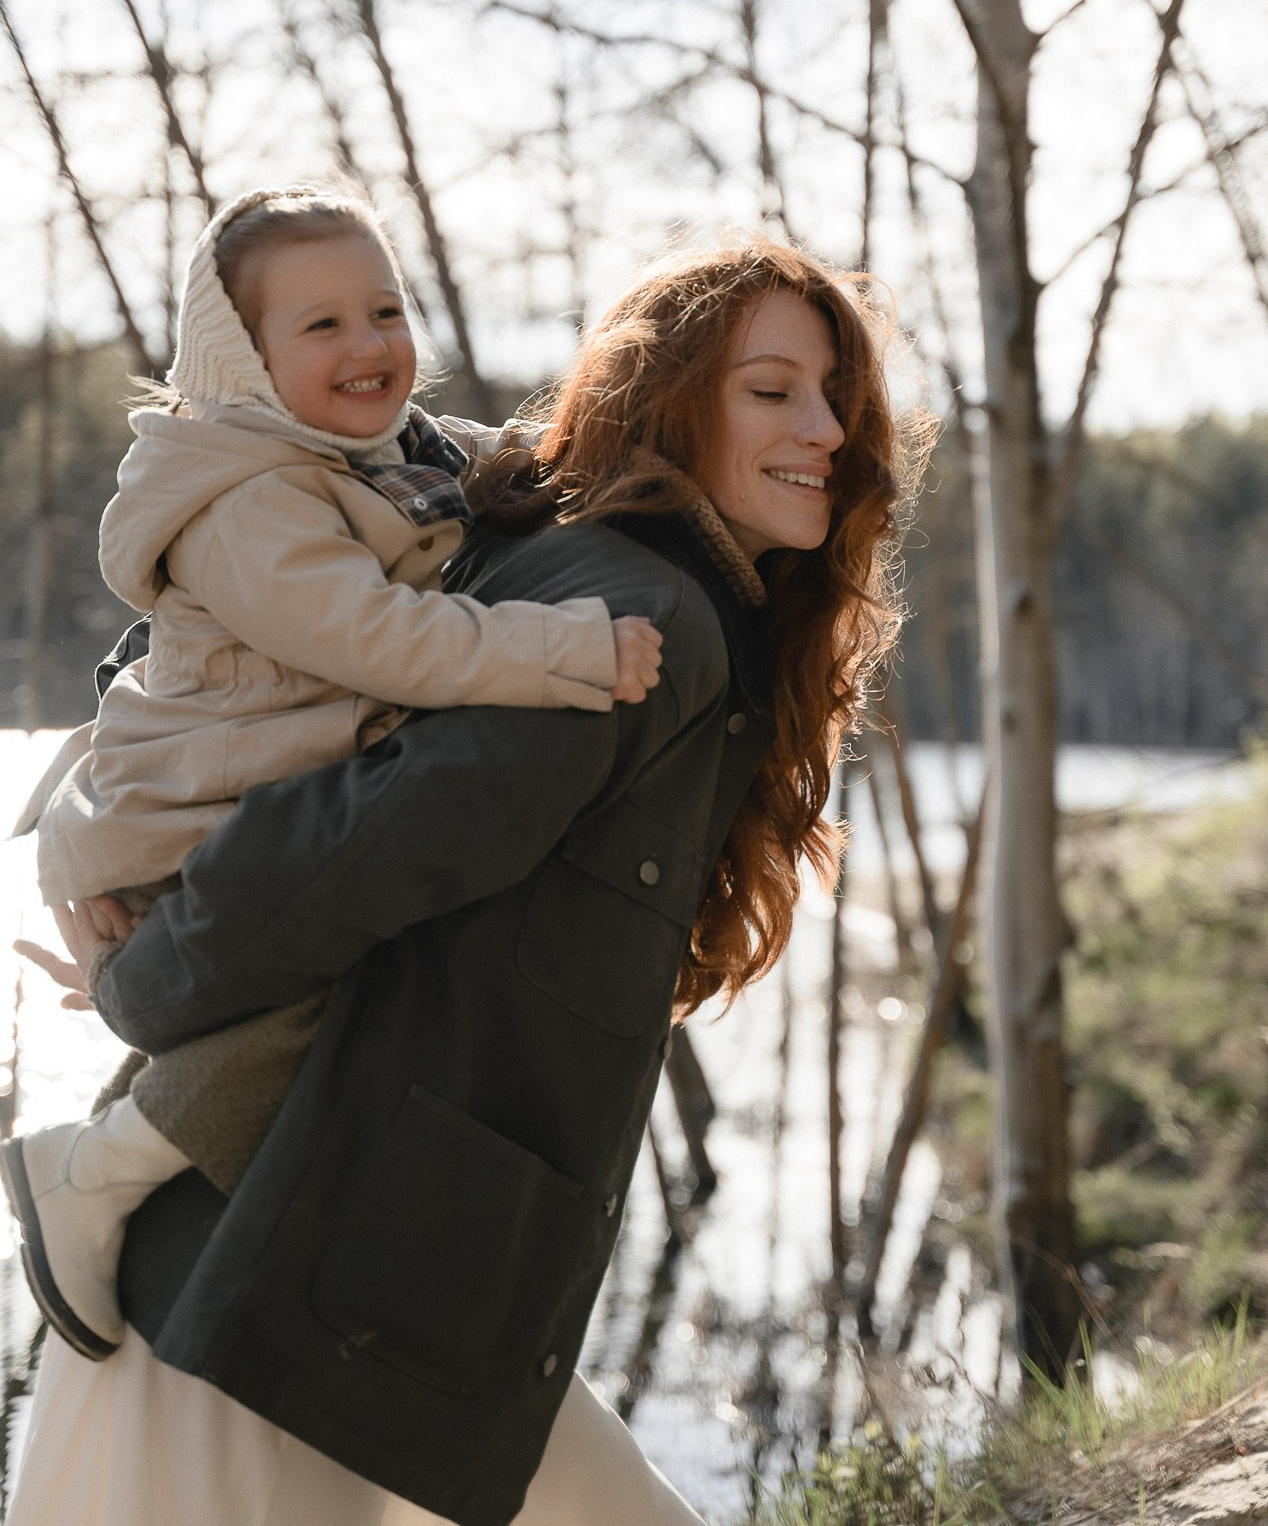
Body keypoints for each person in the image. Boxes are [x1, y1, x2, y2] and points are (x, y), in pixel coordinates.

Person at [9, 239, 920, 1526]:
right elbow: (362, 831)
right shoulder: (639, 622)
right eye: (770, 391)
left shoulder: (551, 541)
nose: (823, 428)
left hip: (365, 1273)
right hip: (265, 1274)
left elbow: (265, 631)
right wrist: (141, 970)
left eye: (833, 393)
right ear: (672, 402)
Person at [3, 186, 662, 1365]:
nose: (368, 345)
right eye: (320, 327)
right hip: (183, 825)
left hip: (263, 804)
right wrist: (570, 649)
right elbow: (378, 637)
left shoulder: (392, 453)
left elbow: (517, 469)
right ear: (243, 362)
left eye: (384, 309)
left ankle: (154, 1224)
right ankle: (87, 1178)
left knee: (345, 998)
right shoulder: (249, 496)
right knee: (336, 986)